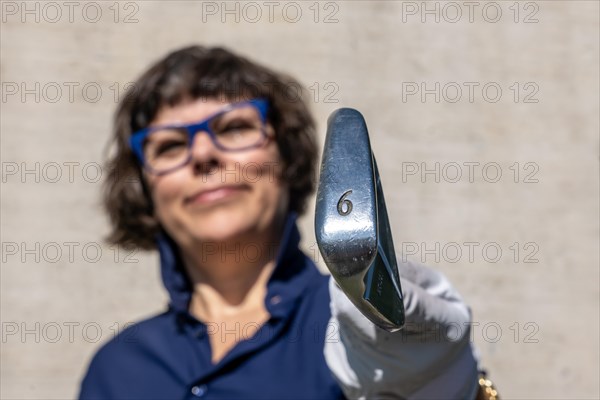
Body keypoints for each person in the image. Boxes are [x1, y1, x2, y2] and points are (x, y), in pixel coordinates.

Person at [79, 45, 483, 399]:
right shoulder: (115, 370)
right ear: (144, 188)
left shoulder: (364, 335)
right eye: (169, 146)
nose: (202, 154)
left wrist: (448, 384)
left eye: (234, 127)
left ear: (287, 158)